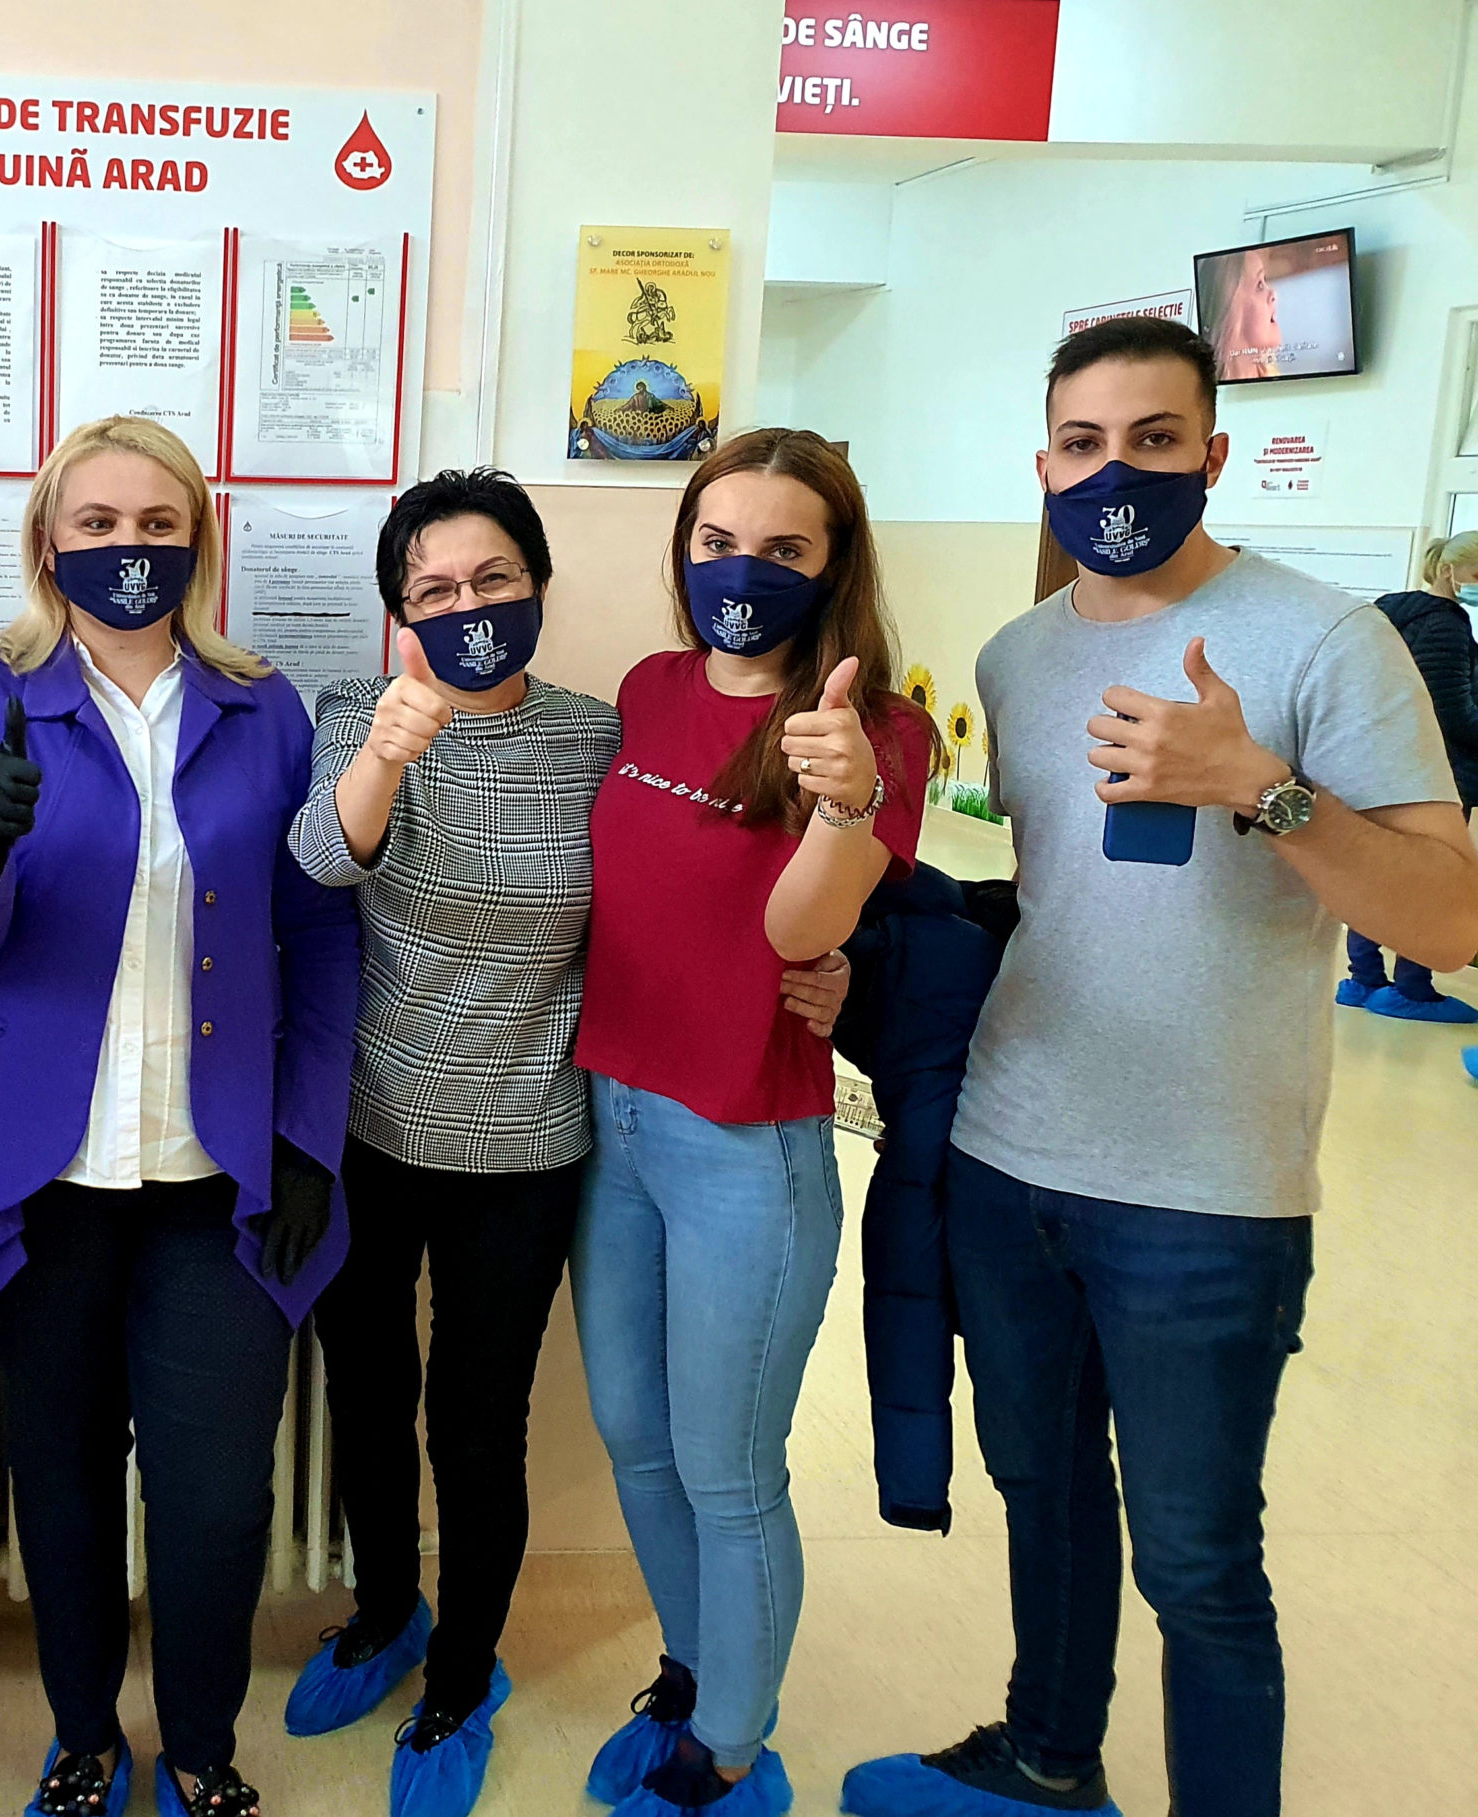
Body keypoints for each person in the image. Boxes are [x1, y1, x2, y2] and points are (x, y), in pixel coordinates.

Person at [842, 317, 1478, 1817]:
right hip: (1010, 1156)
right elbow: (1060, 894)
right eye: (1083, 443)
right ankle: (1048, 1757)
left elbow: (1449, 920)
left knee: (1199, 1561)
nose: (1114, 471)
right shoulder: (1017, 653)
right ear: (1043, 463)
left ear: (1213, 453)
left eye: (1153, 439)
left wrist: (1262, 790)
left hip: (1209, 1189)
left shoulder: (1326, 639)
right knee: (1045, 1493)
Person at [277, 469, 853, 1817]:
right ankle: (386, 1613)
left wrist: (838, 969)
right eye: (434, 589)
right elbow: (317, 859)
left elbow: (701, 882)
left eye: (493, 579)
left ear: (537, 584)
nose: (467, 606)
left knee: (478, 1425)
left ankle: (462, 1678)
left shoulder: (601, 733)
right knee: (365, 1396)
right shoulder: (358, 712)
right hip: (371, 1127)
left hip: (531, 1141)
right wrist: (388, 753)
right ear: (399, 610)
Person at [0, 414, 359, 1817]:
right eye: (96, 522)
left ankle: (202, 1746)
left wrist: (310, 1137)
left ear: (198, 539)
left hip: (216, 1169)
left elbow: (317, 933)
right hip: (41, 1169)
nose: (128, 546)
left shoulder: (263, 707)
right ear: (49, 543)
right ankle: (84, 1737)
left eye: (157, 521)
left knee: (216, 1495)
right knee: (65, 1477)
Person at [571, 428, 933, 1815]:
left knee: (728, 1469)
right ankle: (694, 1666)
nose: (742, 572)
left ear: (833, 566)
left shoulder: (876, 733)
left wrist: (844, 804)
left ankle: (728, 1745)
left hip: (747, 1146)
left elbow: (796, 931)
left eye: (784, 549)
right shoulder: (648, 689)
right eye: (718, 543)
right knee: (634, 1432)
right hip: (616, 1121)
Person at [1339, 531, 1478, 1021]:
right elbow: (1452, 715)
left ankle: (1363, 980)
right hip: (1433, 775)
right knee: (1428, 883)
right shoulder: (1444, 626)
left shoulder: (1392, 614)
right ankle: (1412, 990)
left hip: (1377, 765)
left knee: (1375, 877)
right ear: (1449, 571)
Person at [1204, 248, 1283, 382]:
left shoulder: (1274, 378)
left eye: (1265, 280)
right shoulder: (1207, 387)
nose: (1273, 294)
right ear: (1230, 311)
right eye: (1259, 285)